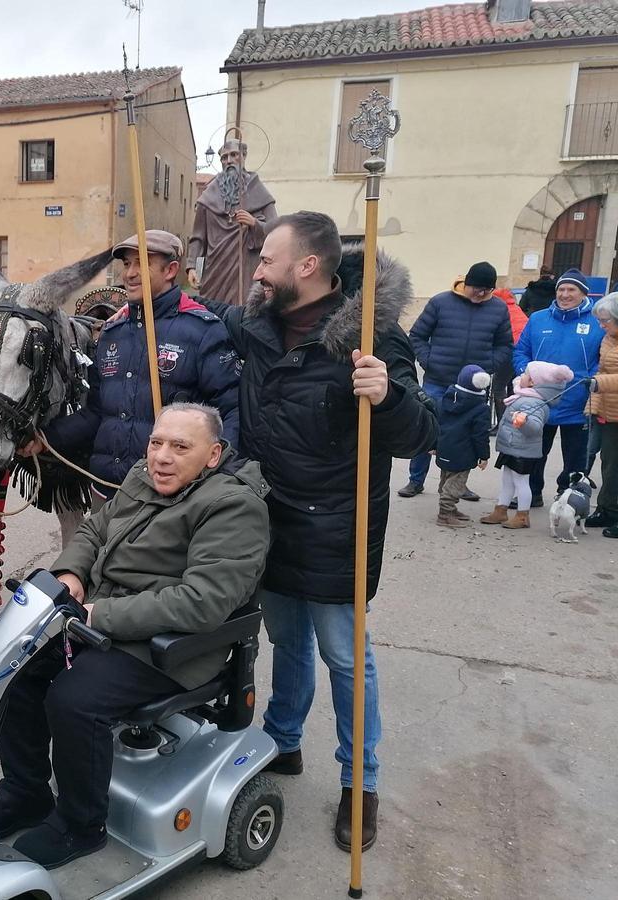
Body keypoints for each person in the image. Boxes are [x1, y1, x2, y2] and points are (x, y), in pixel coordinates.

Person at [215, 211, 437, 851]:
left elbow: (422, 435)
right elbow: (195, 319)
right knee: (286, 643)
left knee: (346, 659)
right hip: (267, 522)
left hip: (337, 530)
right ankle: (283, 742)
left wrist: (388, 397)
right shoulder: (258, 327)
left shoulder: (374, 336)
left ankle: (360, 783)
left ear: (307, 266)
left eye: (267, 259)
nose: (258, 270)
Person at [0, 403, 270, 868]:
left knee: (73, 700)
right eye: (157, 442)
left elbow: (202, 602)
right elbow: (94, 530)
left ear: (213, 455)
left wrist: (101, 614)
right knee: (14, 667)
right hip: (99, 618)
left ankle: (81, 825)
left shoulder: (233, 507)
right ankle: (25, 791)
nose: (162, 456)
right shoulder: (143, 477)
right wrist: (72, 573)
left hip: (171, 647)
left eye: (181, 447)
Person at [31, 230, 241, 500]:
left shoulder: (203, 330)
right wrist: (45, 439)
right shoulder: (112, 333)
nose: (129, 274)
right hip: (106, 492)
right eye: (127, 264)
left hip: (169, 497)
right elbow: (96, 413)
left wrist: (215, 478)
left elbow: (230, 412)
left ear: (170, 270)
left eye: (142, 263)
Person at [398, 262, 511, 499]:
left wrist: (488, 366)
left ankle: (457, 485)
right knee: (426, 429)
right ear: (466, 283)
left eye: (486, 290)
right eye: (476, 288)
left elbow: (504, 345)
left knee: (467, 436)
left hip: (474, 388)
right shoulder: (441, 302)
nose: (480, 294)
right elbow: (417, 336)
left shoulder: (498, 309)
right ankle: (415, 480)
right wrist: (429, 361)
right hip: (438, 381)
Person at [513, 268, 604, 508]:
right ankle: (531, 493)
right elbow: (521, 351)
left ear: (584, 293)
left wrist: (592, 380)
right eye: (561, 289)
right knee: (534, 452)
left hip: (578, 402)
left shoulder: (597, 322)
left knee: (576, 457)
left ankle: (568, 495)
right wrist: (525, 372)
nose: (565, 294)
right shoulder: (538, 319)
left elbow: (604, 358)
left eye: (571, 289)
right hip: (540, 399)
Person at [481, 361, 574, 529]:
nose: (521, 376)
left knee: (521, 483)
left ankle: (522, 515)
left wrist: (523, 422)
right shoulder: (524, 396)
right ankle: (501, 510)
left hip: (522, 451)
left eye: (526, 374)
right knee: (507, 480)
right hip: (513, 447)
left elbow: (535, 428)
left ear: (532, 382)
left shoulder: (534, 403)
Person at [186, 138, 278, 305]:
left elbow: (276, 234)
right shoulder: (208, 196)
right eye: (224, 157)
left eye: (234, 155)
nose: (229, 161)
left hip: (246, 270)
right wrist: (191, 266)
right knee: (213, 310)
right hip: (215, 271)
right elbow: (198, 236)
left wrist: (254, 223)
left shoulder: (259, 192)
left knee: (244, 311)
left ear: (244, 156)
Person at [433, 365, 492, 528]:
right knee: (456, 483)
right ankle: (445, 514)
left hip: (444, 448)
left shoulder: (445, 399)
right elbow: (480, 435)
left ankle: (450, 510)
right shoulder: (481, 409)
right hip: (463, 453)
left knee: (446, 479)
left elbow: (436, 423)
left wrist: (433, 444)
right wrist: (484, 456)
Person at [584, 293, 618, 534]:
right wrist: (592, 406)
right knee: (610, 464)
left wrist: (600, 383)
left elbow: (602, 379)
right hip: (609, 412)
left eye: (606, 320)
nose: (601, 325)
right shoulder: (608, 338)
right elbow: (601, 371)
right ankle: (608, 509)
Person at [491, 286, 529, 430]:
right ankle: (514, 422)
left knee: (498, 387)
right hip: (522, 352)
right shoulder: (516, 309)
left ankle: (502, 424)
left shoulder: (498, 311)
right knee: (514, 387)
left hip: (509, 350)